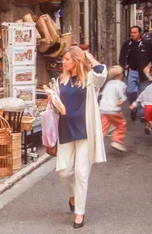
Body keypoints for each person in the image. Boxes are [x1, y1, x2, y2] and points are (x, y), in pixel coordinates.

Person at [45, 47, 106, 229]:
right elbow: (57, 105)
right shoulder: (60, 80)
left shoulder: (88, 79)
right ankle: (72, 194)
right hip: (65, 131)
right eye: (63, 59)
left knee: (81, 174)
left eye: (67, 59)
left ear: (77, 61)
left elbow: (101, 73)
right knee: (64, 171)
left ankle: (79, 212)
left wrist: (89, 57)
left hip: (84, 131)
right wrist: (52, 100)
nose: (63, 62)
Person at [118, 25, 152, 121]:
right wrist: (122, 68)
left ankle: (143, 113)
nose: (133, 34)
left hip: (144, 72)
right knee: (130, 92)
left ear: (140, 33)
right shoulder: (127, 44)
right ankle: (134, 108)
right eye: (131, 33)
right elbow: (122, 58)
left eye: (135, 32)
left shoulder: (147, 44)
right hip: (132, 72)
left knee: (144, 92)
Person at [99, 65, 128, 152]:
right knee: (121, 125)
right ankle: (117, 141)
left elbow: (103, 94)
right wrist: (122, 99)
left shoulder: (108, 84)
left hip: (104, 109)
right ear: (120, 75)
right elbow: (120, 94)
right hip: (113, 109)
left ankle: (97, 143)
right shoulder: (121, 84)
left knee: (103, 127)